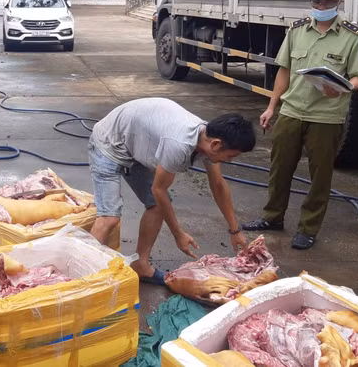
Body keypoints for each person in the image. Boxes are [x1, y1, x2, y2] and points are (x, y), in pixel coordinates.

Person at [242, 0, 358, 250]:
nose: (322, 6)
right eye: (316, 0)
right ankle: (272, 216)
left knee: (320, 176)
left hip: (326, 116)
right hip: (292, 111)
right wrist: (272, 106)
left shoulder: (353, 36)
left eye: (328, 1)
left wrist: (345, 88)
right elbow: (284, 71)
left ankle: (308, 228)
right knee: (279, 168)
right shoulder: (297, 30)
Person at [87, 98, 256, 285]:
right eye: (231, 156)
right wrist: (178, 234)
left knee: (156, 207)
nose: (230, 161)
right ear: (215, 145)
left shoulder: (209, 138)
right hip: (110, 142)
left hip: (136, 142)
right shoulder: (179, 145)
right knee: (109, 218)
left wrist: (235, 230)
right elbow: (158, 190)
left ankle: (141, 265)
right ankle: (83, 281)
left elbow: (218, 185)